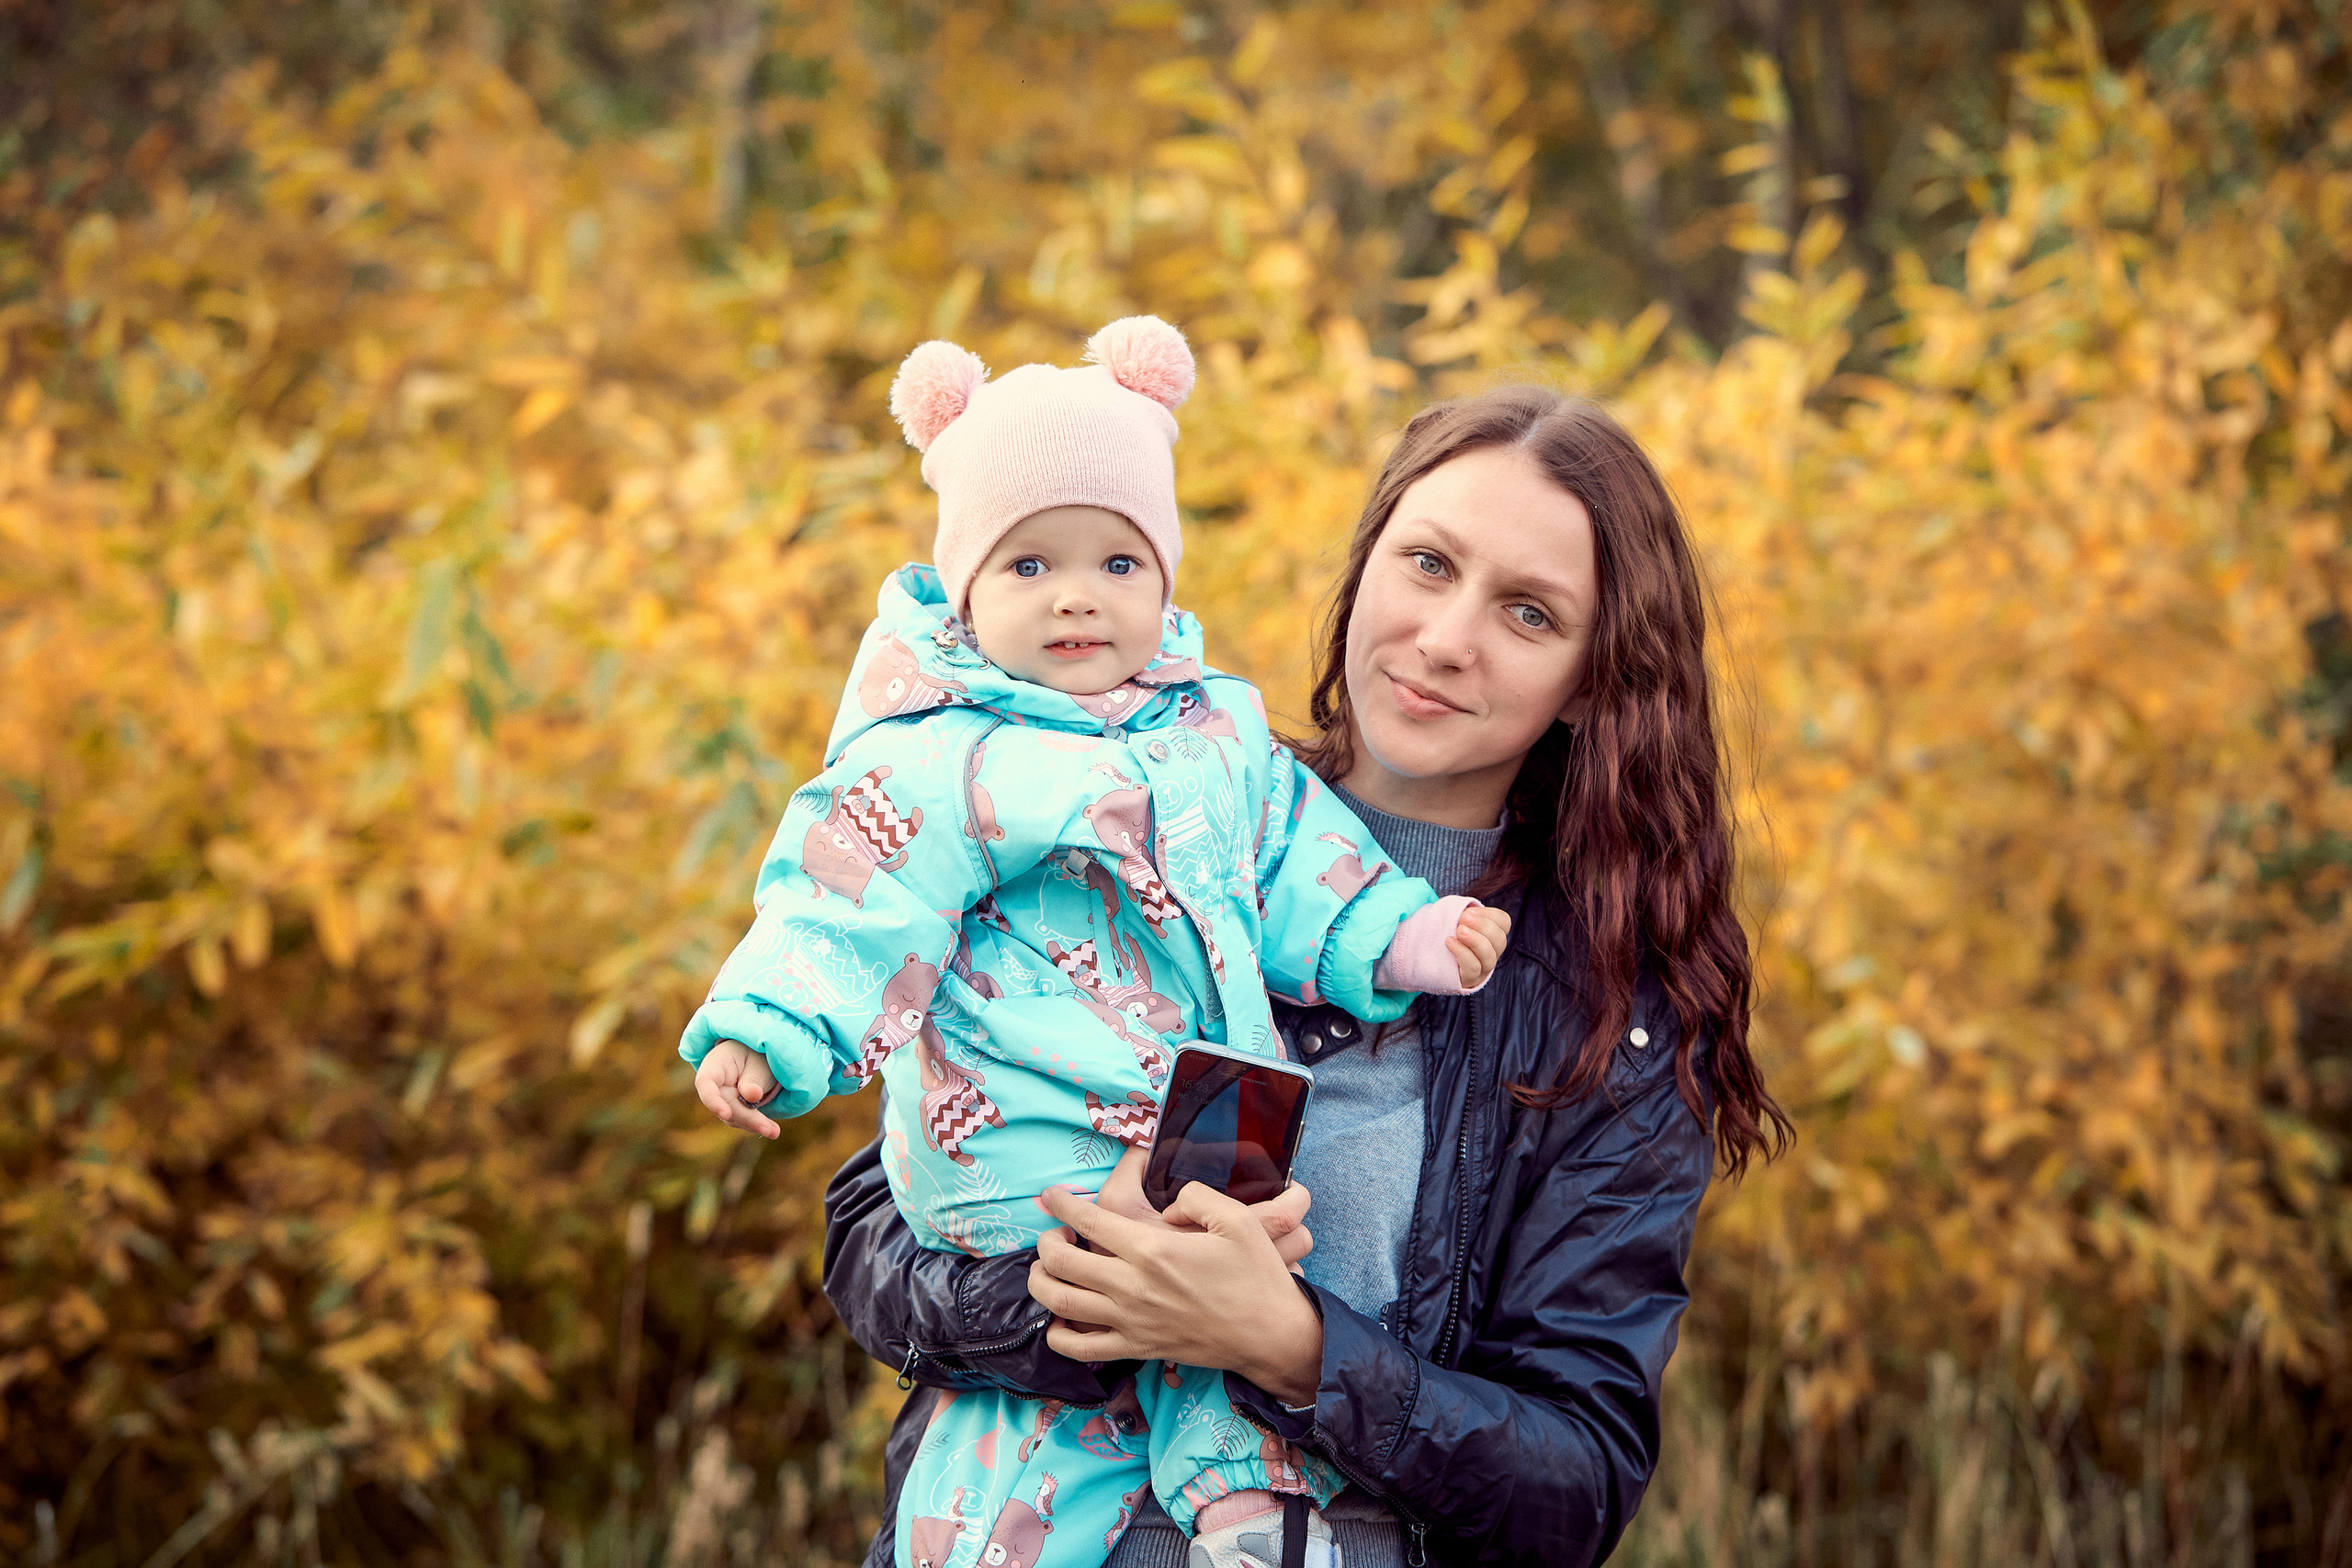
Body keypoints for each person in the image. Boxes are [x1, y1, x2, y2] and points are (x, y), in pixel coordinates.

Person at [824, 385, 1792, 1568]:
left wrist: (1291, 1346)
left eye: (1529, 614)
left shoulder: (1608, 1025)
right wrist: (1069, 1287)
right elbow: (870, 1232)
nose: (1447, 638)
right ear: (1367, 557)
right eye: (1428, 563)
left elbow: (1574, 1484)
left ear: (1596, 677)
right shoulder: (1139, 809)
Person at [680, 316, 1512, 1568]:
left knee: (1230, 1397)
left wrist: (1409, 934)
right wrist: (774, 1027)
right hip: (1028, 1158)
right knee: (1024, 1443)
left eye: (1119, 563)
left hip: (1207, 1138)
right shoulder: (938, 755)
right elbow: (848, 900)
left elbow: (1300, 859)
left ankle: (1256, 1530)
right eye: (1029, 568)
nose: (1077, 594)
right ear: (965, 591)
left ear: (1166, 578)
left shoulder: (1219, 734)